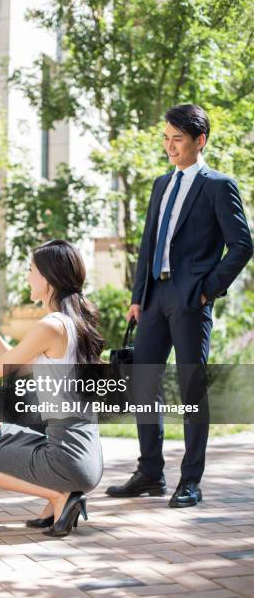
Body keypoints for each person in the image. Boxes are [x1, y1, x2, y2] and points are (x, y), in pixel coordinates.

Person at [106, 104, 253, 508]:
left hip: (190, 300)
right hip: (154, 299)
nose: (169, 147)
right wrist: (138, 297)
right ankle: (150, 472)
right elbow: (149, 243)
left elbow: (242, 245)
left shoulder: (218, 186)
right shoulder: (160, 185)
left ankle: (191, 481)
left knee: (191, 389)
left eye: (178, 139)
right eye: (166, 138)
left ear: (199, 141)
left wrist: (207, 290)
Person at [0, 239, 105, 537]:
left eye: (30, 270)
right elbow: (15, 363)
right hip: (87, 458)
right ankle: (59, 499)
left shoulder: (52, 325)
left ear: (47, 278)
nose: (27, 276)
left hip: (67, 459)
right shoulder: (73, 324)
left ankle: (59, 497)